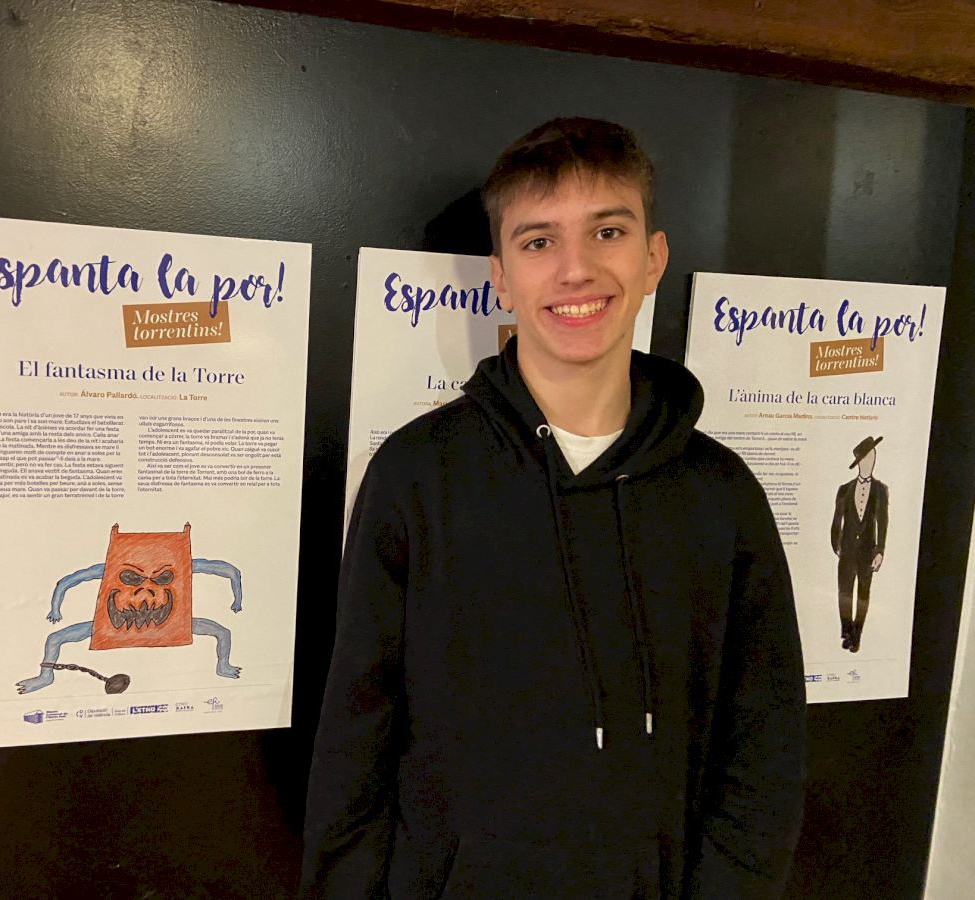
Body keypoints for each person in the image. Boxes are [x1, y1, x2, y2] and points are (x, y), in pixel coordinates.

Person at [301, 118, 807, 899]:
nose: (577, 269)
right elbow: (355, 742)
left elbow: (764, 749)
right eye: (539, 241)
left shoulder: (722, 493)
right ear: (501, 279)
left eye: (607, 231)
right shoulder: (415, 476)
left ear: (652, 259)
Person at [831, 435, 888, 654]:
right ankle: (846, 632)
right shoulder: (844, 489)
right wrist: (836, 544)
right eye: (866, 459)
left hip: (867, 552)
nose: (870, 462)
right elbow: (837, 520)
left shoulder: (880, 489)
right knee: (844, 593)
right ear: (859, 463)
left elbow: (882, 521)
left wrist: (880, 551)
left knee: (863, 594)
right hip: (846, 552)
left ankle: (857, 635)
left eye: (873, 457)